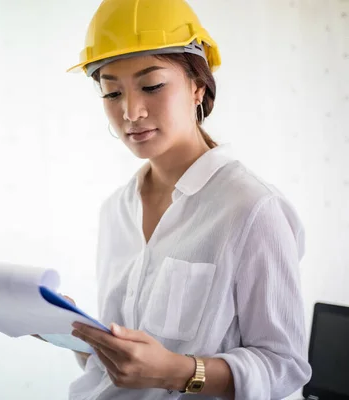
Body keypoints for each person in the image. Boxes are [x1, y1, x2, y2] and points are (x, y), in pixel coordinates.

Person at [63, 0, 312, 399]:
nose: (130, 111)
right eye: (111, 92)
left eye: (152, 86)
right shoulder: (116, 210)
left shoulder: (251, 209)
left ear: (198, 85)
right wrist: (80, 337)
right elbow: (119, 370)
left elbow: (285, 367)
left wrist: (178, 372)